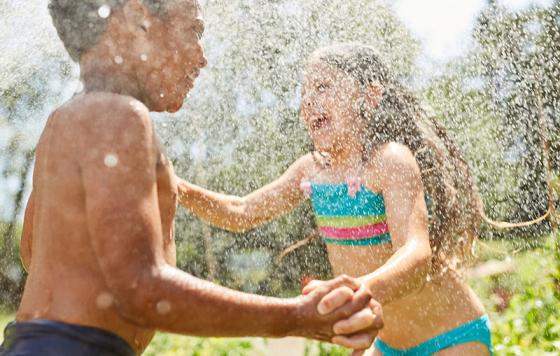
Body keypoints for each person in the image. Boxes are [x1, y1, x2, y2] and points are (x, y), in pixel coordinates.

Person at [0, 3, 383, 355]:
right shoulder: (119, 115)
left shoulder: (65, 120)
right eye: (194, 31)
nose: (202, 58)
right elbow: (142, 288)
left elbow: (33, 250)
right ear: (138, 18)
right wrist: (296, 316)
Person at [177, 43, 493, 355]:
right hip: (388, 345)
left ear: (369, 96)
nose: (309, 102)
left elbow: (415, 254)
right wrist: (179, 189)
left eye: (322, 87)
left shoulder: (389, 161)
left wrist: (358, 291)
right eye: (304, 94)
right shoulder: (310, 171)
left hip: (452, 337)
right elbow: (241, 211)